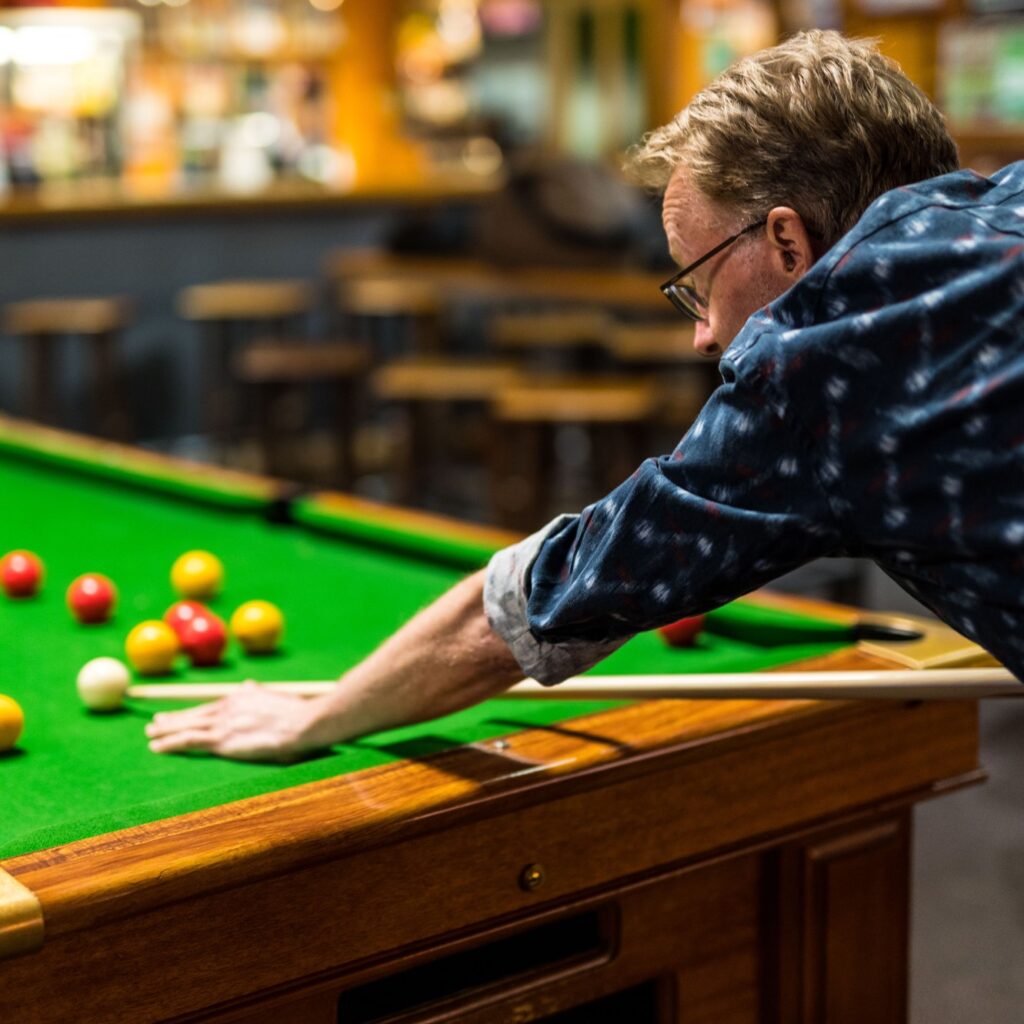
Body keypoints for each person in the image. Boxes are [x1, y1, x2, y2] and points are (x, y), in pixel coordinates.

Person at [146, 30, 1024, 762]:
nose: (704, 332)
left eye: (699, 278)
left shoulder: (822, 361)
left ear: (788, 243)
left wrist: (322, 713)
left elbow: (537, 603)